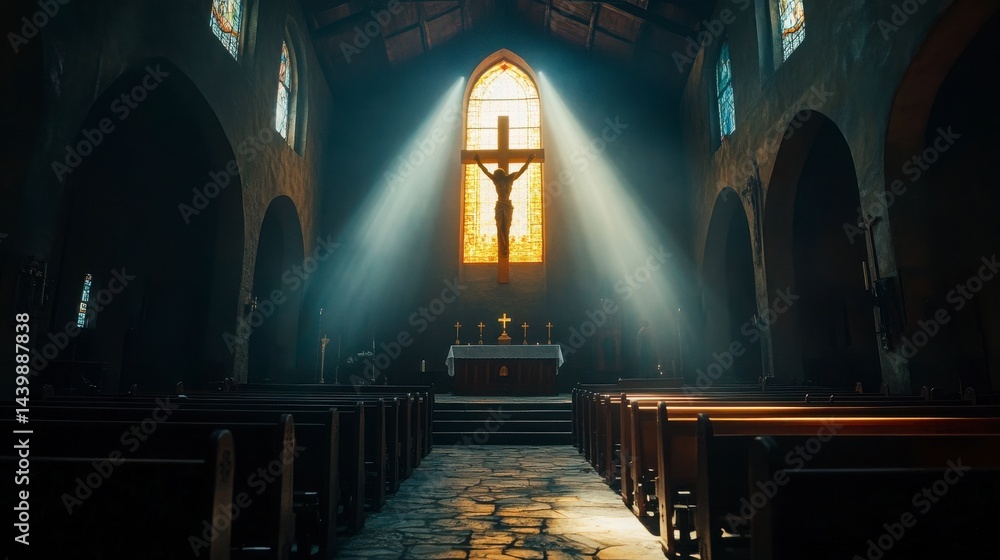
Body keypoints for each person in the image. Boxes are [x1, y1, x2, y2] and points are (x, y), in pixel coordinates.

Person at [474, 152, 535, 258]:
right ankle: (503, 247)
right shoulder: (498, 179)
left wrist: (529, 160)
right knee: (499, 227)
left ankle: (506, 246)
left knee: (506, 227)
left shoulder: (509, 178)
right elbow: (485, 171)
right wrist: (478, 161)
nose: (495, 175)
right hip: (500, 205)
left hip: (507, 205)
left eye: (496, 173)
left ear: (500, 173)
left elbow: (522, 169)